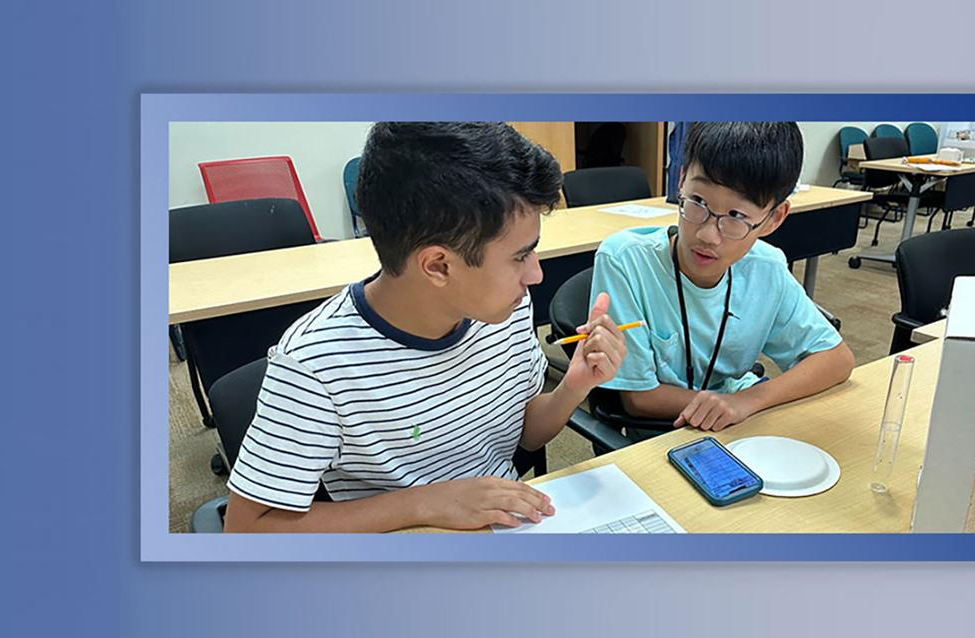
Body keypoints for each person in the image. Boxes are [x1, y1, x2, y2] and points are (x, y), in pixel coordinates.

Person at [225, 122, 628, 532]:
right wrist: (424, 504)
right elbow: (245, 530)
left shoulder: (504, 310)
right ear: (438, 266)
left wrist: (573, 387)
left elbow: (525, 434)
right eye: (519, 257)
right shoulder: (315, 364)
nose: (535, 276)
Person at [592, 122, 854, 432]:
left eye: (736, 217)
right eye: (698, 203)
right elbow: (640, 398)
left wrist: (746, 401)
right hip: (660, 436)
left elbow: (837, 359)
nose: (707, 235)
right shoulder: (626, 260)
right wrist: (727, 402)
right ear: (680, 182)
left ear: (774, 218)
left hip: (739, 423)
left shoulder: (767, 268)